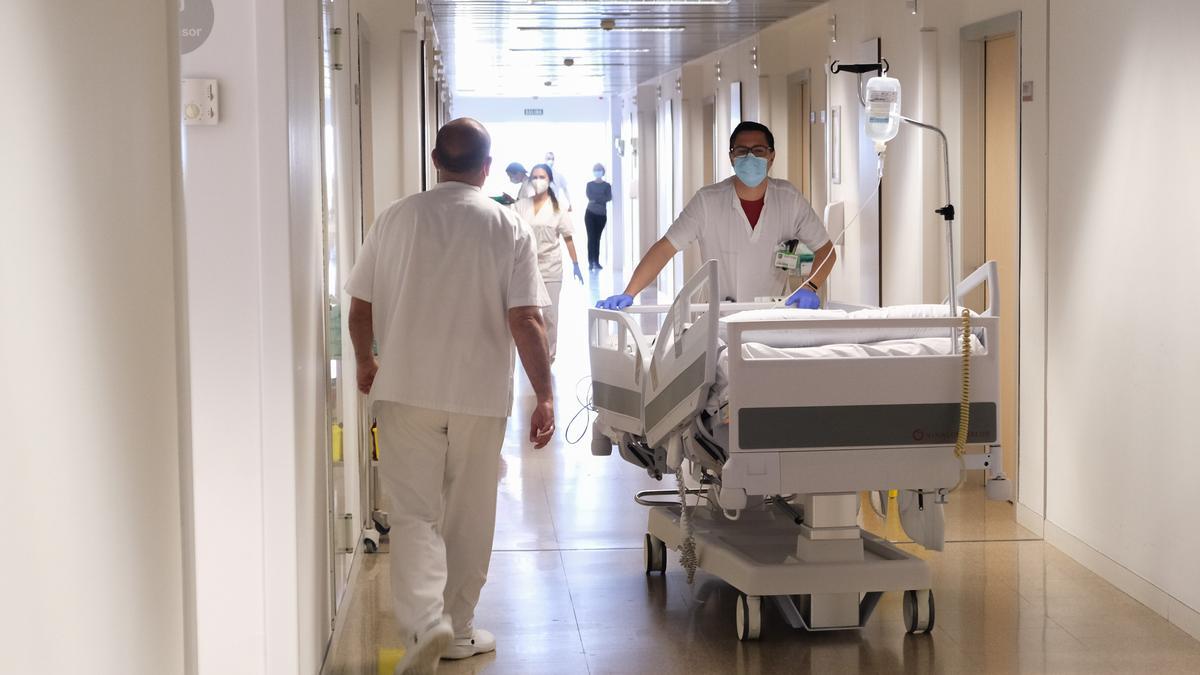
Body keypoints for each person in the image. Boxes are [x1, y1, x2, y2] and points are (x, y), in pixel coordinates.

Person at [345, 118, 555, 675]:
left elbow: (360, 307)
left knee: (414, 513)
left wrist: (367, 362)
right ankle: (458, 630)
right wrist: (546, 395)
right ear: (487, 167)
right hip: (478, 392)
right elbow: (525, 320)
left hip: (405, 388)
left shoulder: (394, 217)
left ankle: (423, 623)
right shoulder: (508, 226)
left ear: (434, 158)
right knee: (469, 512)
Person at [597, 121, 836, 309]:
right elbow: (664, 249)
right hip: (718, 316)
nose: (750, 157)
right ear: (732, 157)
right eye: (742, 151)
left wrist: (810, 286)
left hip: (770, 313)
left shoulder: (789, 199)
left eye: (759, 151)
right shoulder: (707, 201)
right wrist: (629, 292)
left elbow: (826, 251)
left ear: (771, 156)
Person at [515, 163, 584, 362]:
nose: (538, 181)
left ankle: (548, 354)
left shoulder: (558, 209)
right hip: (526, 268)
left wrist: (576, 264)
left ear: (550, 180)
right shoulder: (521, 206)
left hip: (551, 268)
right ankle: (530, 352)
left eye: (542, 177)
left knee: (549, 315)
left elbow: (568, 238)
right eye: (535, 177)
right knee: (528, 314)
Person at [584, 163, 612, 270]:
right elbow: (590, 196)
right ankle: (591, 262)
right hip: (590, 214)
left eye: (599, 170)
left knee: (597, 238)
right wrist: (601, 197)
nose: (598, 171)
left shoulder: (607, 185)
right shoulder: (589, 185)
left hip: (601, 215)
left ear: (603, 172)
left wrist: (597, 199)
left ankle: (596, 261)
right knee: (591, 238)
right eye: (596, 170)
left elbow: (608, 198)